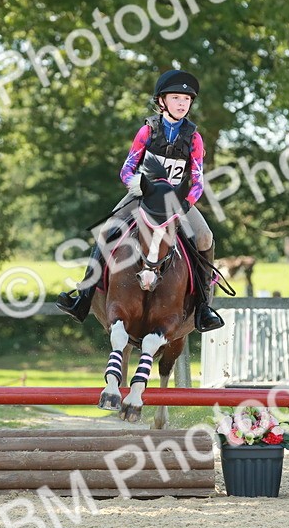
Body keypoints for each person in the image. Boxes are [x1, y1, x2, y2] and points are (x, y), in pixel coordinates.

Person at [56, 69, 225, 332]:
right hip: (143, 195)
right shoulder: (147, 131)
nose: (182, 103)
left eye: (186, 99)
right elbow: (127, 169)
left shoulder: (194, 138)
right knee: (107, 231)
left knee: (204, 237)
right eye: (176, 98)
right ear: (162, 102)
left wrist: (186, 202)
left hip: (177, 201)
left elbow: (198, 177)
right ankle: (84, 297)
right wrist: (142, 188)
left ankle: (203, 307)